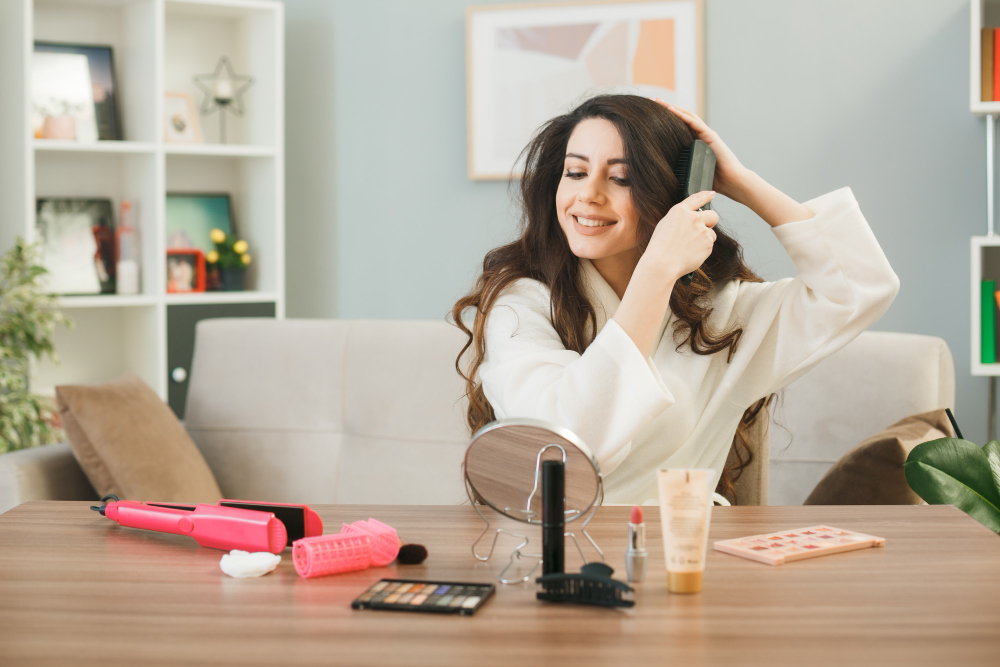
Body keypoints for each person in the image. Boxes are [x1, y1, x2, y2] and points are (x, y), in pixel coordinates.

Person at [450, 95, 899, 506]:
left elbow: (861, 287)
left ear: (672, 195)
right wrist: (656, 272)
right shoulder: (520, 304)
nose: (588, 194)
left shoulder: (722, 316)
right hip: (562, 561)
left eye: (621, 177)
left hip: (687, 559)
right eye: (576, 172)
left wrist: (739, 183)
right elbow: (567, 443)